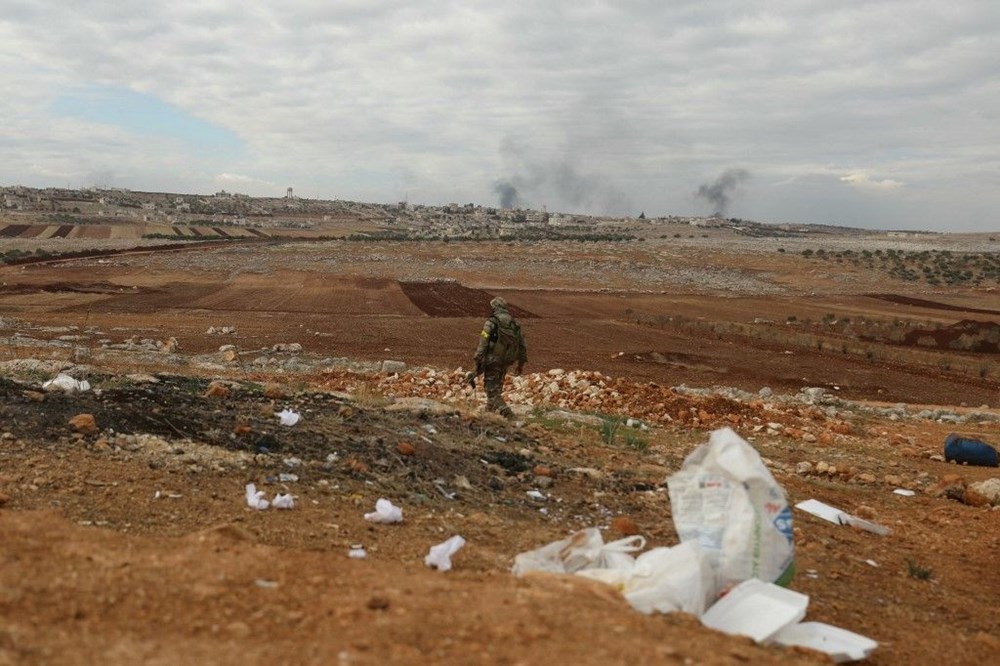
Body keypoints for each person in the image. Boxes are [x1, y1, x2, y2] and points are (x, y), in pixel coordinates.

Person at [472, 296, 527, 418]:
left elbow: (483, 342)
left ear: (495, 307)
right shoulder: (514, 323)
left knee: (491, 390)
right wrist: (520, 364)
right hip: (506, 360)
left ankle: (508, 414)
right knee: (496, 387)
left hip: (492, 360)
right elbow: (522, 345)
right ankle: (488, 414)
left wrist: (478, 359)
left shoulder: (491, 322)